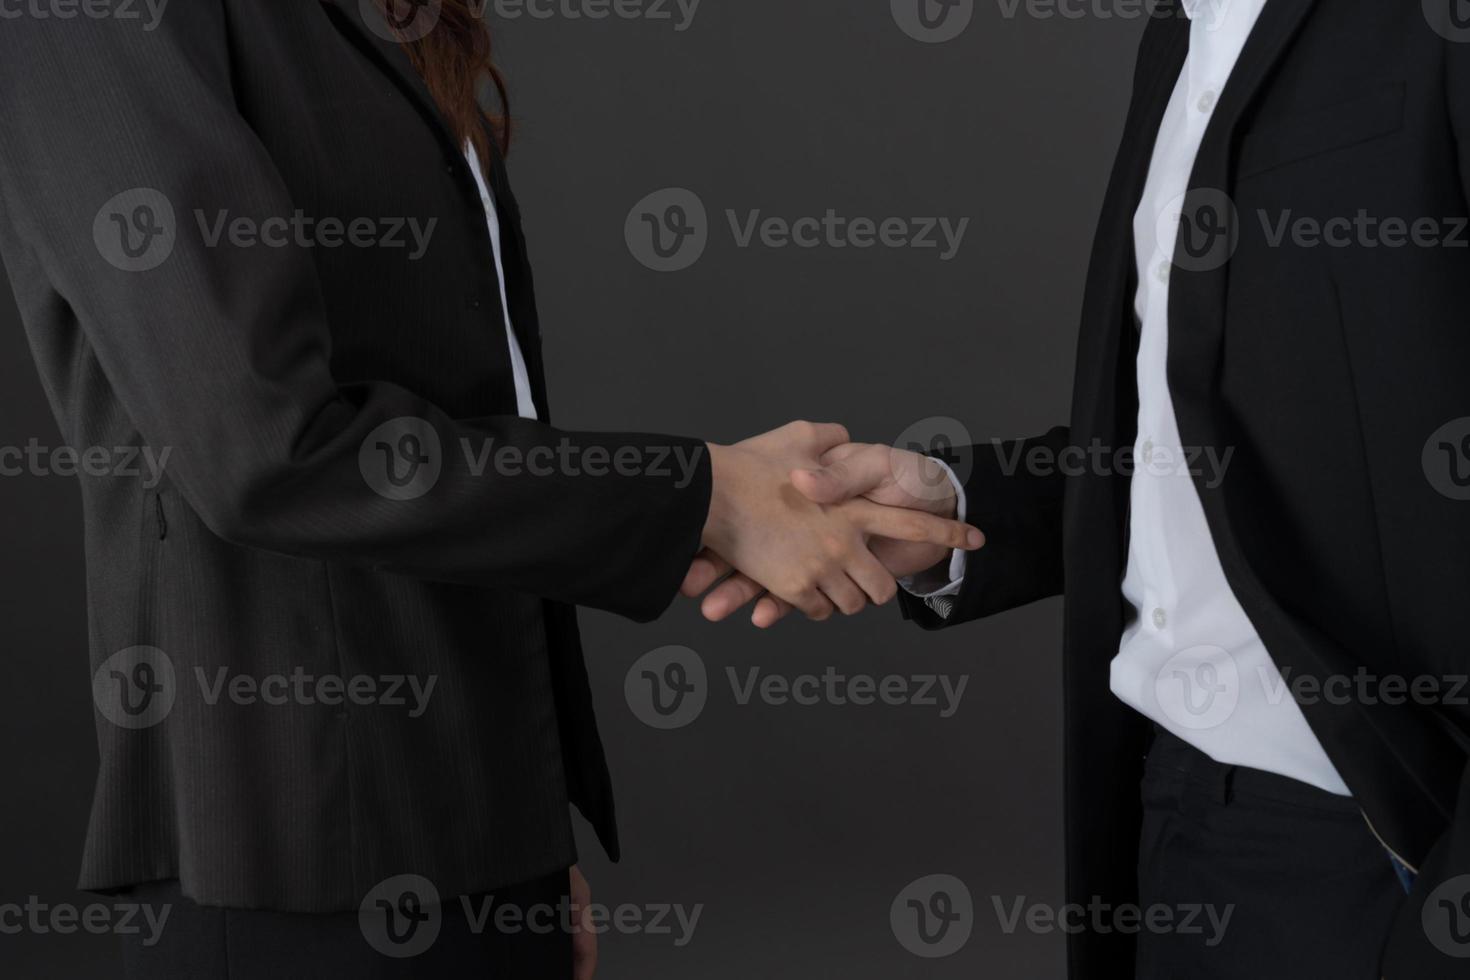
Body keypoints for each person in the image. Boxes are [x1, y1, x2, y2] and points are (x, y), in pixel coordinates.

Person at [0, 3, 981, 977]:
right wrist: (701, 495)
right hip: (290, 860)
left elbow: (474, 406)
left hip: (471, 832)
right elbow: (267, 451)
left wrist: (520, 834)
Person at [689, 2, 1470, 977]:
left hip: (1377, 842)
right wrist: (955, 507)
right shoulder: (1180, 34)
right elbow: (1212, 448)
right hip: (1168, 807)